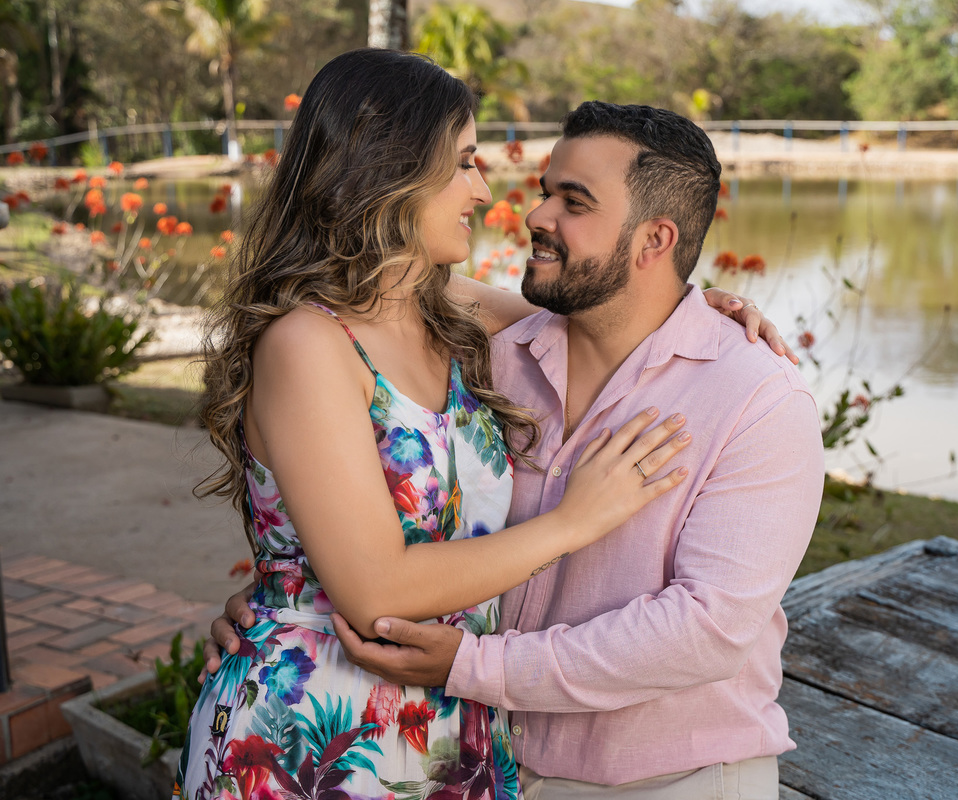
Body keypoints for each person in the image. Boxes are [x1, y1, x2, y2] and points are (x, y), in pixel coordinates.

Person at [182, 52, 786, 799]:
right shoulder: (310, 343)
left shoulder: (451, 317)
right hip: (319, 733)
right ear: (388, 168)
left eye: (569, 199)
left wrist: (705, 308)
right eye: (464, 162)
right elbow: (372, 586)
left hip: (456, 736)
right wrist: (572, 523)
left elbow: (617, 308)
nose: (490, 191)